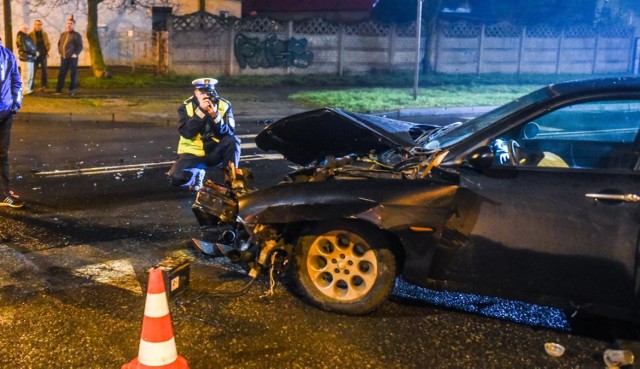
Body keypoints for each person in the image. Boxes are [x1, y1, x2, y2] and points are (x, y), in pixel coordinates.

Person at [167, 77, 241, 191]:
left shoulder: (224, 105)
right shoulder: (186, 106)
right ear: (195, 92)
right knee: (175, 178)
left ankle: (232, 182)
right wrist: (201, 112)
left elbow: (228, 133)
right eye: (202, 92)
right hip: (192, 153)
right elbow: (186, 133)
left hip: (214, 151)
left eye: (209, 91)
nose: (205, 95)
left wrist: (215, 117)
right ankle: (195, 175)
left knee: (233, 141)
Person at [0, 37, 24, 207]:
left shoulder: (8, 55)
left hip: (5, 111)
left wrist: (15, 104)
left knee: (2, 155)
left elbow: (17, 80)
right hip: (6, 110)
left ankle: (4, 193)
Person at [54, 16, 82, 96]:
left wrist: (75, 54)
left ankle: (72, 90)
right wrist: (60, 52)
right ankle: (58, 90)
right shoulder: (63, 34)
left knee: (73, 74)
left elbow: (80, 46)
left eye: (71, 24)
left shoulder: (76, 35)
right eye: (68, 23)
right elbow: (59, 44)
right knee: (61, 73)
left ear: (73, 25)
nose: (69, 25)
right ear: (66, 25)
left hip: (72, 58)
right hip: (64, 57)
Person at [29, 19, 50, 91]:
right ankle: (31, 85)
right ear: (34, 25)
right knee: (33, 70)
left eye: (40, 24)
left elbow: (47, 43)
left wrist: (47, 50)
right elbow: (29, 45)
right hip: (35, 55)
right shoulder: (31, 34)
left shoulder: (44, 34)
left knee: (44, 70)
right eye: (37, 24)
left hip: (43, 54)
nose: (38, 26)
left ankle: (44, 84)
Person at [16, 24, 37, 95]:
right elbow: (25, 48)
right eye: (25, 28)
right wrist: (34, 52)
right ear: (21, 29)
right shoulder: (21, 37)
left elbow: (32, 46)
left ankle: (28, 89)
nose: (27, 29)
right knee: (26, 74)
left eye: (27, 28)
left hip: (30, 58)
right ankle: (25, 90)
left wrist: (34, 52)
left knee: (30, 74)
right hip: (26, 58)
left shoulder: (26, 37)